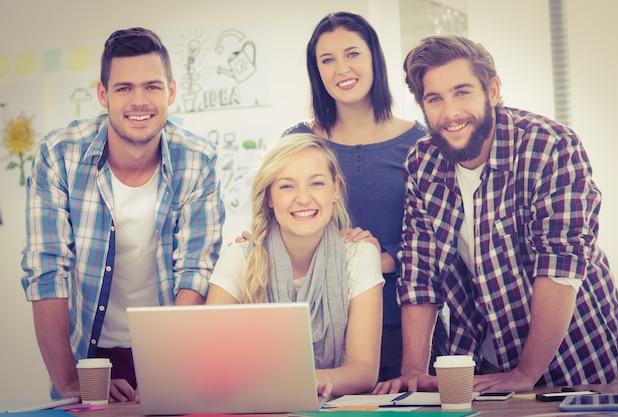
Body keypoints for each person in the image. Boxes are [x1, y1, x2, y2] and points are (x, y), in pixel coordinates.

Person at [373, 35, 618, 395]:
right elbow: (420, 270)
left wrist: (526, 373)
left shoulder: (550, 146)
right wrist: (414, 370)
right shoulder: (421, 162)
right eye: (435, 99)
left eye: (462, 92)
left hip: (579, 364)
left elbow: (559, 266)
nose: (450, 113)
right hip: (482, 365)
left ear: (492, 90)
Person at [21, 27, 225, 402]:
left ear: (172, 92)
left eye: (152, 86)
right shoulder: (58, 155)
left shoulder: (197, 159)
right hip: (90, 352)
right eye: (124, 88)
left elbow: (196, 269)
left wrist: (167, 366)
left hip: (171, 345)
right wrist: (69, 381)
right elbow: (47, 271)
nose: (139, 100)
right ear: (103, 94)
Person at [283, 11, 448, 381]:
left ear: (374, 58)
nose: (342, 68)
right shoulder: (298, 142)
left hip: (404, 332)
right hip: (317, 331)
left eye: (353, 54)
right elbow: (279, 228)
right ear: (317, 72)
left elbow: (440, 244)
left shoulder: (420, 143)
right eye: (327, 60)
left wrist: (378, 256)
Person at [207, 133, 383, 397]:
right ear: (268, 197)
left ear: (335, 189)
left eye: (316, 183)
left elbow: (364, 371)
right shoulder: (240, 257)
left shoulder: (359, 256)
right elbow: (209, 359)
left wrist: (317, 380)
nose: (303, 198)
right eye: (287, 186)